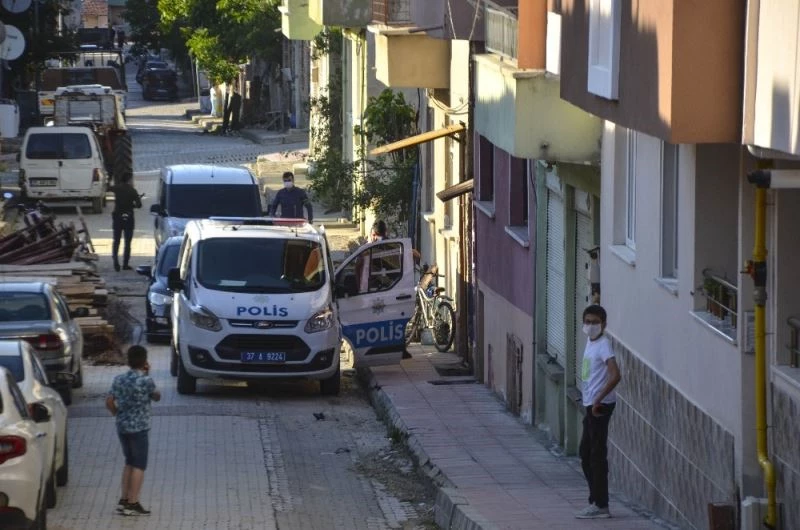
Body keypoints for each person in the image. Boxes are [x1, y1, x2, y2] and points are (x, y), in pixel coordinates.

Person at [575, 304, 622, 519]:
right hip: (590, 404)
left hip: (599, 407)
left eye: (595, 322)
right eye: (588, 322)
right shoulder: (591, 342)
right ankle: (596, 499)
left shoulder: (604, 345)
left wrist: (598, 399)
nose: (591, 326)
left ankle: (600, 504)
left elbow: (615, 375)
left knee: (596, 455)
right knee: (586, 453)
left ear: (603, 324)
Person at [105, 346, 161, 516]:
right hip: (140, 428)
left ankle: (123, 499)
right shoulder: (145, 381)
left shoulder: (119, 379)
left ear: (128, 360)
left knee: (129, 462)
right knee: (139, 465)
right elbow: (157, 396)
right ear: (144, 361)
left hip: (122, 427)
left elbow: (109, 401)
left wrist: (117, 413)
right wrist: (148, 374)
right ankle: (133, 502)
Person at [111, 174, 142, 272]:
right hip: (128, 218)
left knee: (116, 240)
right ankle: (125, 264)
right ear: (129, 180)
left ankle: (115, 261)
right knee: (127, 242)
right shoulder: (132, 191)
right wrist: (133, 204)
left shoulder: (117, 188)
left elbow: (109, 188)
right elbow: (139, 205)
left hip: (117, 217)